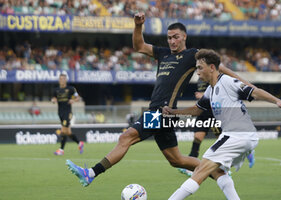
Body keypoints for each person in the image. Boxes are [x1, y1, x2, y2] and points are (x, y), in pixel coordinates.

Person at [65, 13, 255, 187]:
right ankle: (219, 172)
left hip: (160, 113)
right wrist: (138, 26)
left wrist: (247, 85)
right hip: (165, 114)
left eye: (176, 37)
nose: (172, 41)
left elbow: (220, 68)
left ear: (184, 37)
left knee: (126, 137)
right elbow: (139, 46)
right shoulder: (163, 53)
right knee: (177, 160)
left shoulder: (192, 55)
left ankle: (91, 173)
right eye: (169, 38)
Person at [141, 49, 281, 200]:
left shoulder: (227, 82)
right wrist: (173, 112)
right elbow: (197, 110)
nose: (197, 72)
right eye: (196, 68)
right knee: (217, 171)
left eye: (200, 68)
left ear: (212, 67)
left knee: (201, 169)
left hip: (238, 135)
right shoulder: (211, 90)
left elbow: (254, 91)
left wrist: (277, 101)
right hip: (239, 137)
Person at [178, 79, 255, 177]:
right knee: (197, 137)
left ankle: (238, 158)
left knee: (223, 140)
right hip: (203, 112)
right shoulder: (200, 77)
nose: (198, 71)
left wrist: (204, 97)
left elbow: (219, 94)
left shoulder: (214, 78)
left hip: (214, 112)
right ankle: (190, 165)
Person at [52, 74, 84, 156]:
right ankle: (80, 143)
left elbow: (78, 97)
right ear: (59, 80)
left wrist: (73, 100)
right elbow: (54, 98)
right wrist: (53, 100)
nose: (62, 80)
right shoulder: (56, 90)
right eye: (61, 79)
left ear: (66, 80)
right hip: (60, 112)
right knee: (68, 132)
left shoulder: (71, 89)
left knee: (63, 130)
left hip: (68, 112)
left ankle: (61, 150)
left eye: (63, 79)